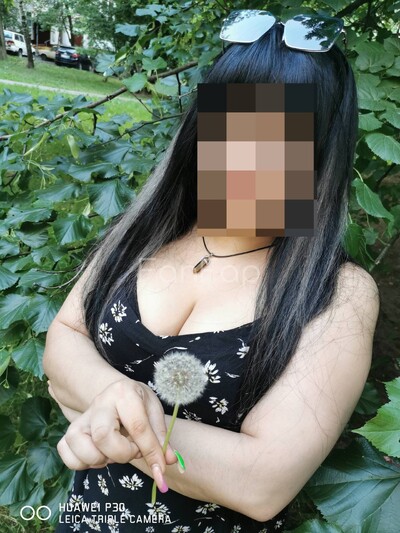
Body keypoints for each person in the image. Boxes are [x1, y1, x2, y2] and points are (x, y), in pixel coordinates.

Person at [43, 12, 380, 533]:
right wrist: (117, 395)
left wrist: (105, 414)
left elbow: (261, 484)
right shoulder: (148, 229)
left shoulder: (338, 292)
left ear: (319, 151)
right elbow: (64, 337)